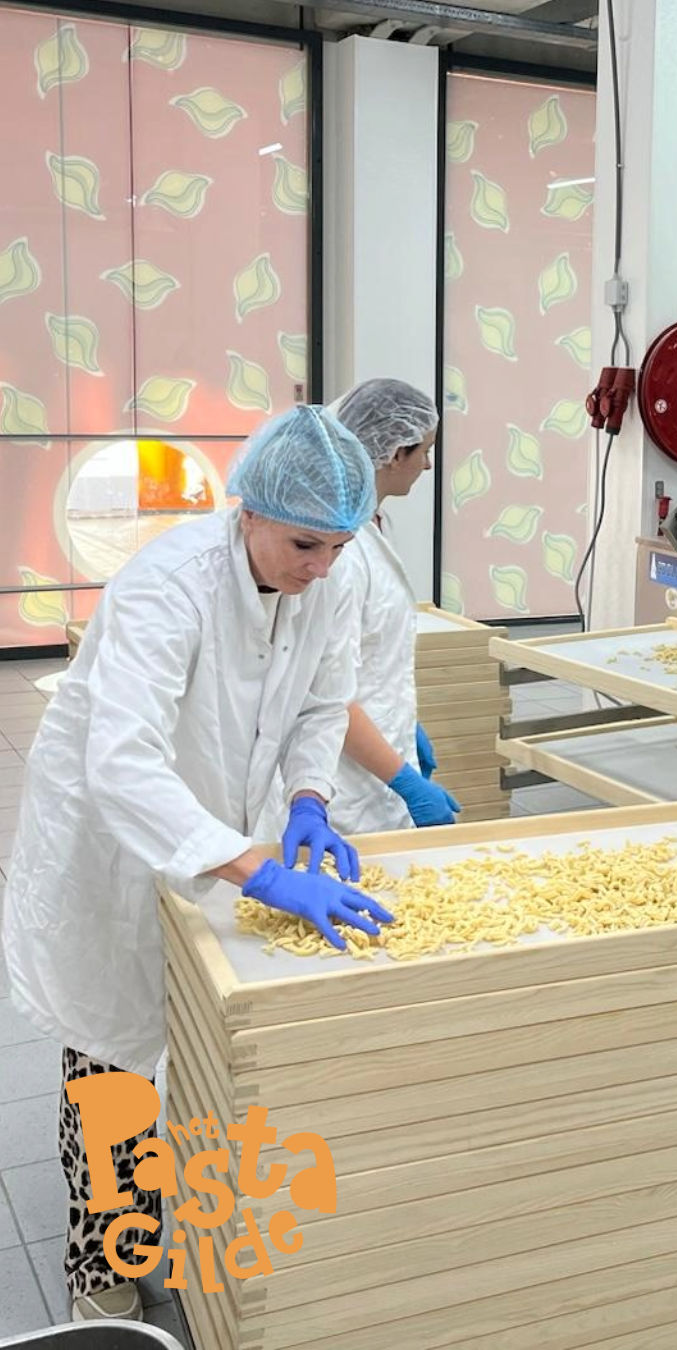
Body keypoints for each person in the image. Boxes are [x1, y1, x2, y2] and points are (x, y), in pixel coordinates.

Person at [1, 405, 394, 1323]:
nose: (322, 568)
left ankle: (182, 1225)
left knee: (201, 1044)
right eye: (305, 544)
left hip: (219, 841)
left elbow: (322, 703)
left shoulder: (324, 582)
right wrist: (257, 869)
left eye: (340, 548)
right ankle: (101, 1263)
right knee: (112, 1055)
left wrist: (309, 798)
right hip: (116, 847)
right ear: (250, 510)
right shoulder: (167, 587)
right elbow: (123, 763)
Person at [321, 377, 460, 833]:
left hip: (376, 751)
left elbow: (373, 654)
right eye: (424, 451)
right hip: (343, 783)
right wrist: (405, 781)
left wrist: (405, 725)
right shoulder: (338, 552)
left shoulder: (376, 523)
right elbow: (327, 693)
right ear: (395, 454)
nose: (428, 464)